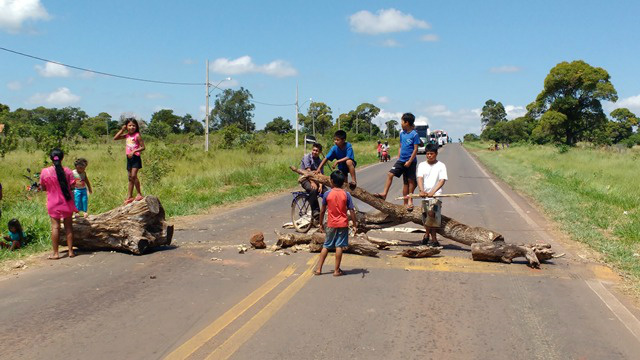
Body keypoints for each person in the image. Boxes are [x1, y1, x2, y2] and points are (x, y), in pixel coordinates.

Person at [314, 170, 357, 277]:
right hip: (342, 224)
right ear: (343, 182)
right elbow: (351, 210)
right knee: (339, 246)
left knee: (326, 246)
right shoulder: (346, 194)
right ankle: (336, 270)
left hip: (331, 224)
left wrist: (320, 223)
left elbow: (323, 210)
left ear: (331, 181)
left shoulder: (327, 194)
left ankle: (319, 269)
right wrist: (355, 225)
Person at [375, 113, 421, 211]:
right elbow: (400, 146)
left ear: (406, 122)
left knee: (410, 181)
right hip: (401, 160)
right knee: (390, 174)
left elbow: (415, 149)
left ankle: (409, 201)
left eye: (402, 121)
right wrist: (399, 156)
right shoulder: (401, 133)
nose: (401, 123)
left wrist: (409, 161)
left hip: (411, 162)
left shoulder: (414, 134)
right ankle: (384, 194)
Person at [40, 148, 76, 259]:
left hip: (53, 203)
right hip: (67, 202)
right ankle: (71, 251)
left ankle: (56, 253)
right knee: (68, 227)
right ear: (62, 158)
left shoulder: (45, 172)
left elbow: (43, 187)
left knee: (55, 227)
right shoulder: (68, 171)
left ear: (51, 158)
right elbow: (73, 185)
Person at [417, 143, 448, 247]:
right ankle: (428, 237)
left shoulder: (441, 165)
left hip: (436, 195)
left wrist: (433, 192)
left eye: (431, 154)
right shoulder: (422, 165)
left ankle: (431, 237)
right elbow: (420, 178)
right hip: (425, 195)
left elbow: (442, 180)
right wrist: (421, 190)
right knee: (426, 216)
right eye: (427, 154)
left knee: (432, 213)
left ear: (436, 154)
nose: (429, 155)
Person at [114, 118, 146, 204]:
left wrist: (134, 151)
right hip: (129, 158)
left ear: (136, 127)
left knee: (134, 175)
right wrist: (122, 129)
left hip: (135, 157)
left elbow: (143, 147)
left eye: (134, 125)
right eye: (130, 125)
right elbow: (115, 138)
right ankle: (129, 196)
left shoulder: (137, 135)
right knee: (130, 178)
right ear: (127, 126)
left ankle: (139, 193)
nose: (132, 127)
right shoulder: (127, 135)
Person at [300, 142, 324, 219]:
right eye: (313, 150)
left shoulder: (320, 161)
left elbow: (321, 174)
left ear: (320, 152)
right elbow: (308, 171)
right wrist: (312, 182)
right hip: (305, 179)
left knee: (326, 192)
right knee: (313, 189)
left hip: (316, 180)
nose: (314, 152)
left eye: (317, 151)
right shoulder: (307, 157)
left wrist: (320, 185)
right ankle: (315, 211)